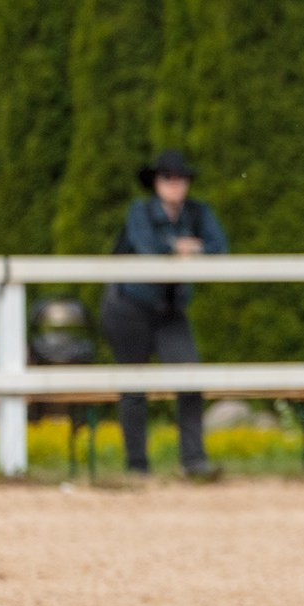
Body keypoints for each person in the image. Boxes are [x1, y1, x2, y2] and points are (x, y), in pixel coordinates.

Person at [100, 149, 227, 477]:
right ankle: (137, 466)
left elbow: (219, 248)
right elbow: (148, 249)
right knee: (133, 386)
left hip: (169, 309)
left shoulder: (198, 213)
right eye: (167, 178)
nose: (175, 185)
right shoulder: (139, 211)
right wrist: (182, 246)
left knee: (190, 378)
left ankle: (194, 462)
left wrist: (181, 247)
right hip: (129, 307)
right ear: (156, 182)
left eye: (180, 178)